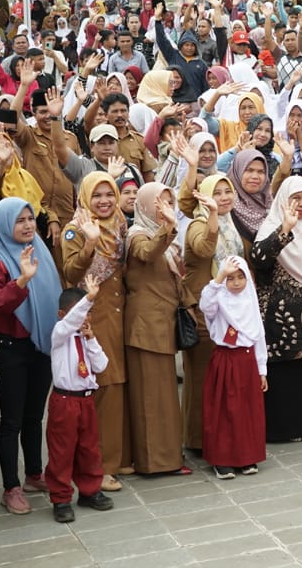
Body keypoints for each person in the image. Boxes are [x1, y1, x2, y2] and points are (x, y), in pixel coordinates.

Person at [0, 198, 61, 516]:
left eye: (30, 219)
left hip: (41, 345)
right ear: (3, 224)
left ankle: (34, 475)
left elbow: (53, 292)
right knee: (11, 420)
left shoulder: (40, 250)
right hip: (10, 348)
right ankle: (11, 487)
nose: (28, 225)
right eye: (20, 220)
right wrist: (23, 280)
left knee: (33, 415)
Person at [60, 173, 130, 489]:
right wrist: (89, 242)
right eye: (97, 195)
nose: (104, 201)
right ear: (86, 197)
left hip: (118, 313)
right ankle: (97, 468)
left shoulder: (119, 226)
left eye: (109, 194)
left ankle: (114, 459)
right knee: (101, 387)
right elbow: (71, 272)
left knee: (115, 387)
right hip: (92, 315)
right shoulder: (74, 230)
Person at [250, 176, 302, 442]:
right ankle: (283, 429)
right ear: (284, 200)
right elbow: (260, 259)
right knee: (285, 375)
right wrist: (285, 229)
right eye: (296, 198)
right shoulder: (272, 225)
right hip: (282, 321)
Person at [124, 184, 190, 476]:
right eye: (159, 202)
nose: (164, 207)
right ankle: (154, 462)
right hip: (146, 328)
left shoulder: (168, 240)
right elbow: (148, 254)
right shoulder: (137, 234)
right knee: (151, 399)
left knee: (163, 396)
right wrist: (169, 228)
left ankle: (168, 456)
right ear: (146, 205)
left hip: (162, 324)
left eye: (169, 201)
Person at [180, 173, 241, 454]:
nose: (224, 197)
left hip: (228, 311)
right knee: (201, 377)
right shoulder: (198, 223)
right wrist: (213, 214)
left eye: (227, 191)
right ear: (204, 197)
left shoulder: (231, 223)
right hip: (203, 311)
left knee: (223, 378)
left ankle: (222, 434)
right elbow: (205, 247)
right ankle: (197, 438)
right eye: (217, 193)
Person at [45, 281, 113, 523]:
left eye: (88, 313)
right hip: (65, 401)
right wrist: (89, 300)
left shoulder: (86, 337)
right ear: (63, 315)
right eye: (79, 313)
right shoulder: (60, 334)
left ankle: (90, 490)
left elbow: (101, 365)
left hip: (86, 400)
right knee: (62, 450)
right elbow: (71, 322)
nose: (84, 318)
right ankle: (61, 497)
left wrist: (92, 340)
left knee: (89, 448)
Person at [199, 256, 267, 479]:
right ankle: (223, 460)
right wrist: (218, 278)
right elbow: (205, 305)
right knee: (224, 410)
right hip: (225, 361)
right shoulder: (218, 300)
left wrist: (261, 369)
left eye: (241, 277)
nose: (236, 283)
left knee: (247, 411)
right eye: (231, 278)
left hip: (247, 362)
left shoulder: (250, 301)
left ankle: (247, 457)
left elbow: (259, 336)